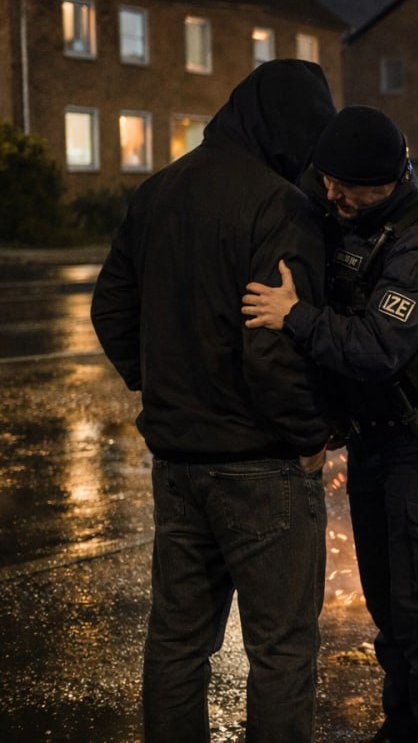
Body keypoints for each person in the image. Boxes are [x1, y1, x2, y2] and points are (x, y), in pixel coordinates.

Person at [90, 59, 336, 742]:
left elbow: (111, 308)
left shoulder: (159, 189)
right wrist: (308, 434)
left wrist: (164, 382)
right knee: (282, 650)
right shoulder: (280, 204)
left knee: (176, 643)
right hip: (261, 466)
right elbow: (274, 345)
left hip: (177, 460)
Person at [241, 105, 418, 743]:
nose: (333, 194)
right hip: (378, 442)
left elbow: (378, 347)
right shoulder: (348, 211)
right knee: (390, 604)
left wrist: (295, 316)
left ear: (392, 178)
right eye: (328, 180)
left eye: (347, 185)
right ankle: (404, 727)